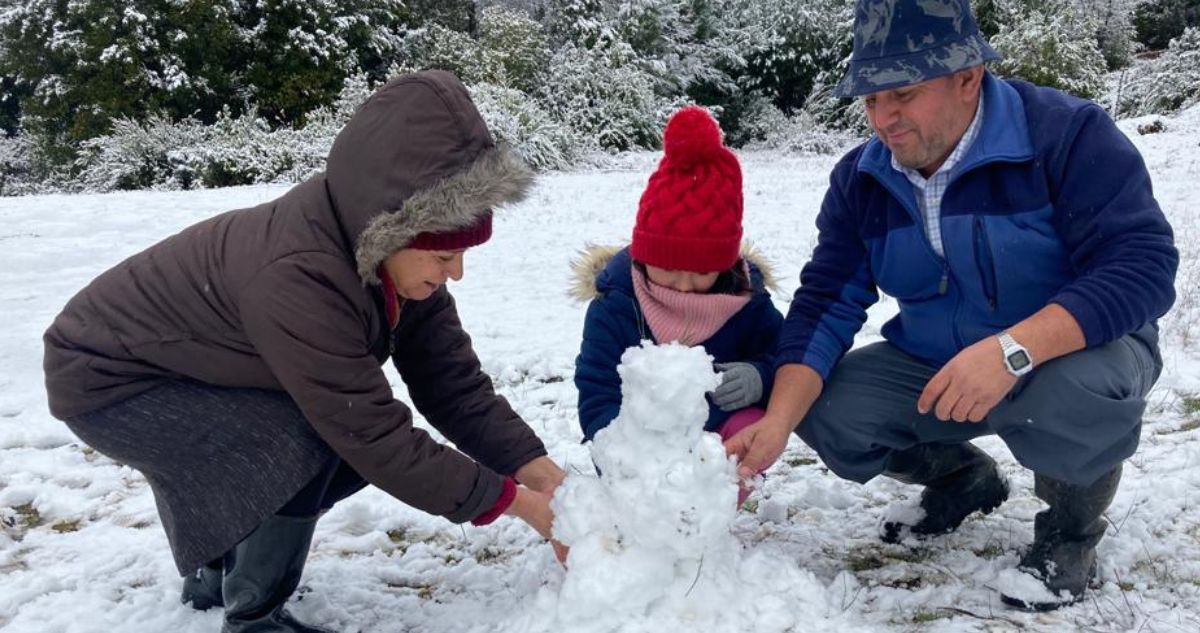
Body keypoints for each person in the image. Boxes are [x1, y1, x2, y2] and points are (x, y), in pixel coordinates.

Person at [43, 70, 567, 633]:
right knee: (308, 438)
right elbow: (370, 433)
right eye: (443, 257)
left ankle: (216, 576)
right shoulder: (299, 276)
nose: (455, 273)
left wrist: (539, 473)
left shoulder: (387, 258)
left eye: (462, 253)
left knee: (315, 437)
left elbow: (452, 384)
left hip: (182, 364)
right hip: (108, 381)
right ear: (392, 229)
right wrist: (519, 505)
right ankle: (255, 616)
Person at [722, 0, 1178, 611]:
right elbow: (827, 300)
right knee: (818, 401)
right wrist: (778, 420)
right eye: (871, 100)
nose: (883, 119)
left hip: (1075, 353)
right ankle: (962, 479)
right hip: (938, 360)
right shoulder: (862, 179)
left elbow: (1142, 265)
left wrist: (1012, 351)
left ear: (968, 77)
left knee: (1069, 392)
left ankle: (1069, 536)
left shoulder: (1064, 135)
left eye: (903, 94)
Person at [572, 106, 784, 502]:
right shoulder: (615, 302)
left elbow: (784, 353)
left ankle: (713, 511)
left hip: (720, 439)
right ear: (643, 253)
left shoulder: (745, 299)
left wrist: (761, 376)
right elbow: (596, 384)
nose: (684, 287)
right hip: (639, 444)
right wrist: (617, 452)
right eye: (670, 268)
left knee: (750, 429)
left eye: (702, 272)